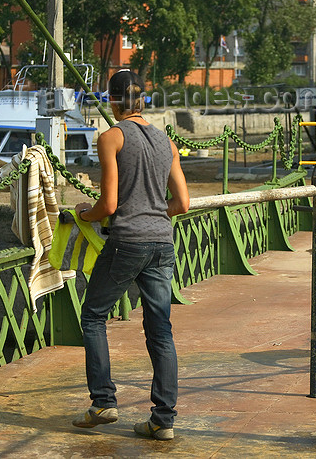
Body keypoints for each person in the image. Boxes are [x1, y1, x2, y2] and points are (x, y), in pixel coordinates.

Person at [71, 69, 190, 440]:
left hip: (127, 242)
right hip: (162, 243)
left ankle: (104, 401)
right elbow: (182, 203)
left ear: (111, 100)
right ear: (143, 100)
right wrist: (153, 212)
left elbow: (107, 204)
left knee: (92, 317)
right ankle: (163, 420)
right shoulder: (165, 140)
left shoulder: (111, 138)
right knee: (160, 331)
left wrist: (81, 213)